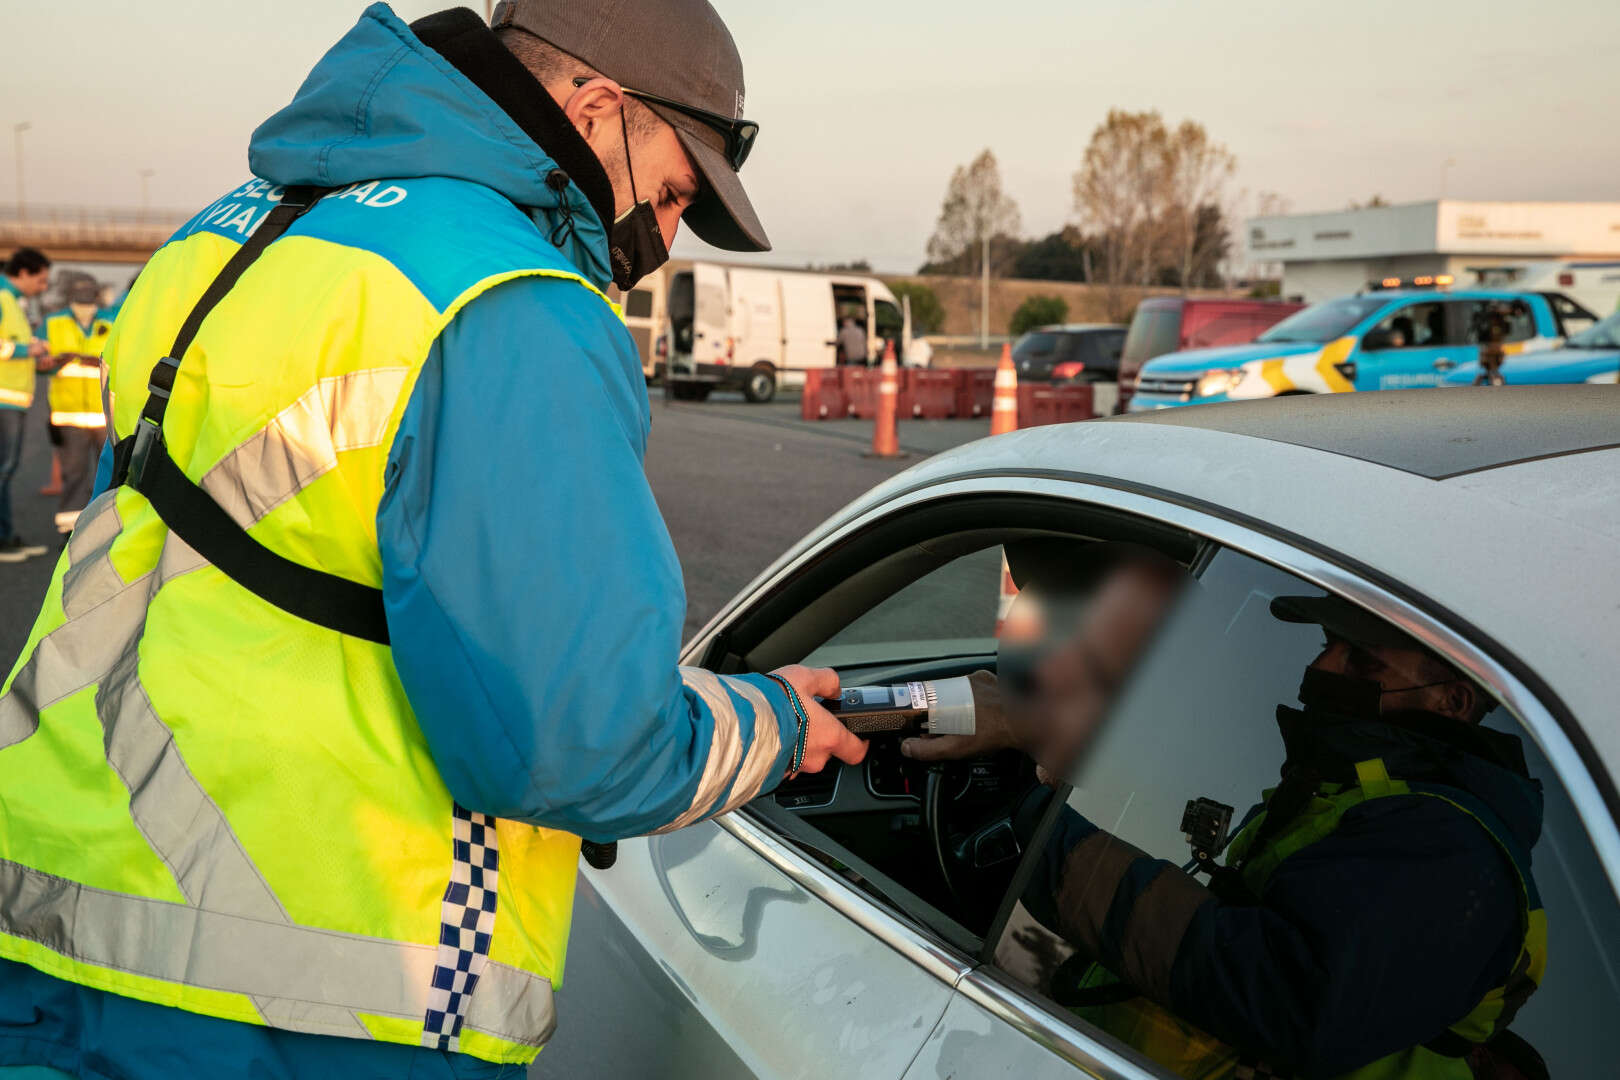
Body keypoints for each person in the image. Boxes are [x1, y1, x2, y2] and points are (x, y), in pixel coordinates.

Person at [0, 4, 865, 1079]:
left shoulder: (218, 238)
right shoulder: (508, 302)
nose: (668, 233)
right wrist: (773, 722)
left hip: (50, 921)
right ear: (599, 110)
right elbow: (578, 744)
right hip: (312, 995)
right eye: (677, 189)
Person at [908, 589, 1544, 1080]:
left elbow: (1285, 996)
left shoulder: (1446, 846)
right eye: (1328, 642)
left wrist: (1048, 844)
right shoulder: (1351, 796)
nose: (1322, 663)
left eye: (1361, 659)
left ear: (1453, 702)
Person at [41, 277, 113, 535]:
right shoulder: (53, 324)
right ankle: (69, 535)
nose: (85, 305)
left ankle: (104, 533)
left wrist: (85, 360)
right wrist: (51, 363)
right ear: (71, 299)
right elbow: (40, 363)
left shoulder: (112, 321)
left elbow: (120, 361)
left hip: (104, 417)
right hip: (68, 417)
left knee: (111, 478)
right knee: (74, 480)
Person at [0, 247, 52, 563]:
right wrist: (27, 350)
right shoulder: (3, 299)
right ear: (23, 273)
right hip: (3, 400)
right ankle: (3, 540)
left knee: (6, 471)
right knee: (3, 471)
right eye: (41, 280)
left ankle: (7, 535)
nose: (43, 287)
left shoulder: (14, 303)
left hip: (13, 400)